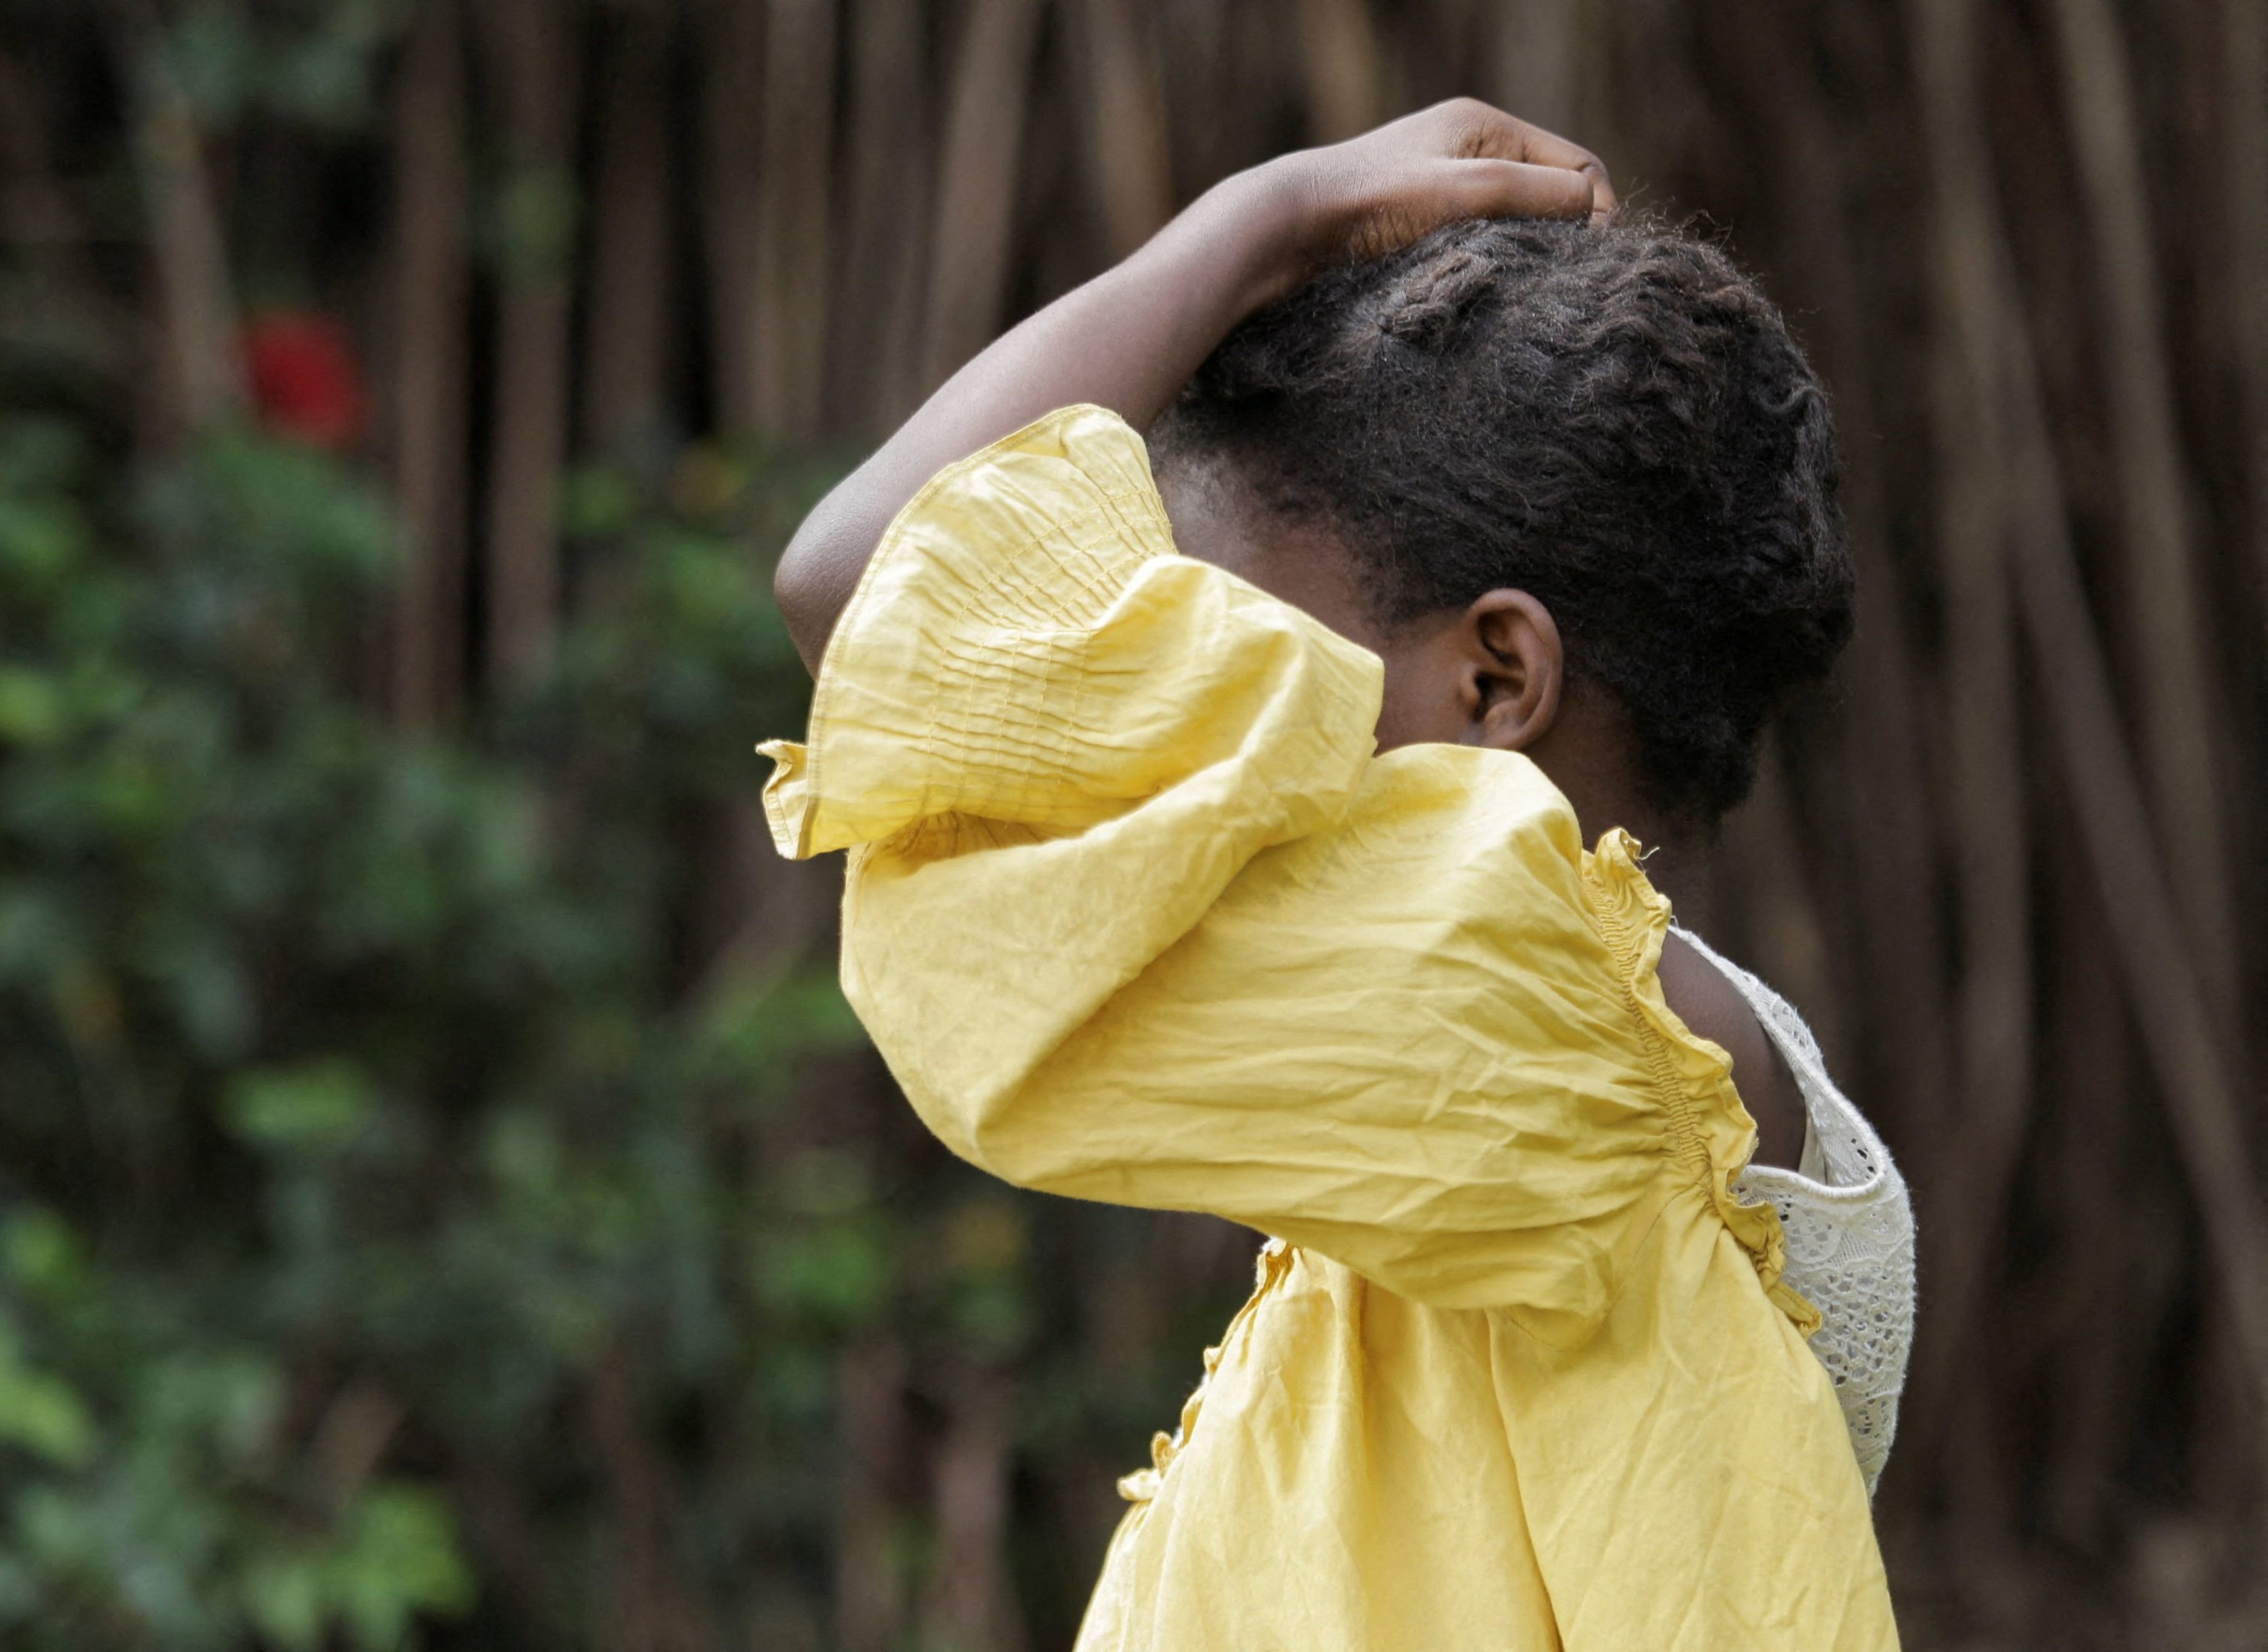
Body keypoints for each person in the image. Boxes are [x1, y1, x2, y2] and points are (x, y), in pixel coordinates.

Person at [760, 97, 1915, 1650]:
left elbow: (860, 593)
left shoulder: (1551, 1041)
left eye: (1223, 648)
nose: (1157, 713)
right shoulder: (1522, 1086)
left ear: (1495, 679)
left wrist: (1266, 220)